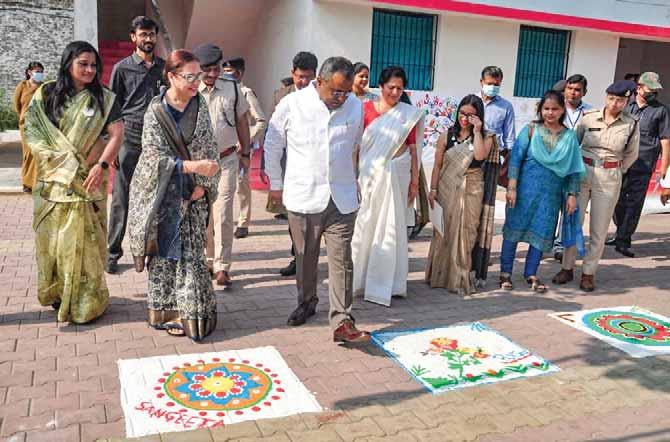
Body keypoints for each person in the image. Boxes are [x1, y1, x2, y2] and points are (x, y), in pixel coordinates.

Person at [265, 56, 370, 342]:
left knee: (342, 260)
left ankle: (342, 320)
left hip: (342, 197)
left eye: (346, 92)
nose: (341, 98)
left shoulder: (355, 105)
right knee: (305, 258)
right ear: (319, 81)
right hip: (304, 196)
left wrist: (356, 179)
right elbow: (273, 143)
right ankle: (307, 301)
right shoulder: (292, 104)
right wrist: (276, 184)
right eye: (336, 91)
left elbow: (355, 145)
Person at [24, 41, 124, 323]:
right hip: (54, 183)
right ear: (68, 63)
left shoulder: (104, 98)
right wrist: (64, 163)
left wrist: (101, 166)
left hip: (88, 183)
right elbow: (33, 132)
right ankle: (59, 295)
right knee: (54, 245)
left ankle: (86, 302)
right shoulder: (47, 94)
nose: (90, 70)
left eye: (94, 65)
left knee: (87, 245)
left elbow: (117, 134)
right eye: (83, 64)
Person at [128, 49, 220, 341]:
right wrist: (193, 167)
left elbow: (209, 146)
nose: (197, 82)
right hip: (164, 198)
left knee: (193, 258)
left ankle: (194, 314)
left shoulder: (200, 106)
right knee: (165, 258)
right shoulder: (156, 111)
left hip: (194, 195)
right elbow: (152, 158)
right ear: (171, 76)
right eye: (190, 77)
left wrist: (203, 185)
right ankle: (166, 313)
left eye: (198, 76)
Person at [553, 80, 639, 291]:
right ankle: (567, 267)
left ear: (627, 101)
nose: (614, 103)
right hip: (583, 172)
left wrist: (616, 170)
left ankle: (588, 273)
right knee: (573, 222)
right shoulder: (589, 117)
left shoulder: (631, 123)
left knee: (599, 229)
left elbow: (631, 154)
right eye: (611, 98)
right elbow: (574, 143)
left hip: (609, 176)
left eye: (620, 100)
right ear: (606, 97)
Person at [351, 66, 423, 306]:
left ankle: (390, 283)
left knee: (393, 225)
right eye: (391, 87)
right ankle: (360, 280)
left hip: (398, 175)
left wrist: (414, 181)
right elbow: (357, 147)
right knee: (366, 224)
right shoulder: (365, 110)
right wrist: (353, 177)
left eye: (399, 89)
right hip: (369, 176)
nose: (395, 92)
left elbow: (414, 150)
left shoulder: (407, 115)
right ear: (380, 86)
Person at [500, 90, 585, 292]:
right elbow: (516, 159)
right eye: (546, 108)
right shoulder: (531, 130)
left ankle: (531, 273)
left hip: (550, 196)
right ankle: (505, 273)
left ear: (562, 110)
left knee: (542, 232)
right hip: (524, 192)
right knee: (513, 230)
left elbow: (573, 169)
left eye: (555, 109)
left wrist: (572, 195)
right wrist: (512, 187)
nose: (550, 113)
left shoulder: (569, 137)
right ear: (540, 109)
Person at [107, 16, 165, 274]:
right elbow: (112, 108)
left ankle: (153, 250)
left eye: (151, 34)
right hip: (129, 136)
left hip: (157, 138)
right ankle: (112, 252)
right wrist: (113, 145)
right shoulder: (122, 68)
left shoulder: (164, 68)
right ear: (133, 37)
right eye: (143, 34)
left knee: (157, 195)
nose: (148, 39)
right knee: (121, 197)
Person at [425, 95, 498, 294]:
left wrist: (477, 131)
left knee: (467, 232)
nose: (465, 118)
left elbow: (480, 156)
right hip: (447, 188)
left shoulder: (486, 136)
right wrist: (433, 190)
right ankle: (440, 276)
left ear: (479, 117)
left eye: (471, 115)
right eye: (462, 113)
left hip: (472, 188)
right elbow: (438, 165)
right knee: (444, 232)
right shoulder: (447, 135)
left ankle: (460, 277)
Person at [197, 44, 251, 287]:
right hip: (199, 163)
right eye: (206, 69)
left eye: (215, 69)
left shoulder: (232, 88)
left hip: (226, 159)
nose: (212, 74)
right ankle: (207, 261)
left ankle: (222, 266)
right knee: (204, 214)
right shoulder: (189, 88)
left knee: (223, 213)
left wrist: (246, 151)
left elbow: (242, 122)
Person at [266, 52, 318, 277]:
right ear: (292, 73)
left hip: (313, 166)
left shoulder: (321, 97)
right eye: (300, 77)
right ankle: (297, 256)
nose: (304, 82)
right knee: (293, 215)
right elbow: (274, 135)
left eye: (308, 77)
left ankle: (305, 257)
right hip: (288, 164)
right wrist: (274, 177)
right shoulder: (281, 96)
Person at [608, 72, 670, 257]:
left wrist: (664, 166)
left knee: (634, 203)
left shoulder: (660, 111)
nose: (653, 93)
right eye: (650, 89)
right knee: (616, 199)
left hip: (644, 163)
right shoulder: (626, 106)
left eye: (655, 90)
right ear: (639, 88)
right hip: (621, 161)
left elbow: (665, 140)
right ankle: (620, 231)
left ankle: (624, 240)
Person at [222, 57, 268, 239]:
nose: (226, 76)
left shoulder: (245, 93)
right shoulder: (222, 92)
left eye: (230, 72)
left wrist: (245, 141)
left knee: (242, 186)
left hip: (240, 150)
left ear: (239, 74)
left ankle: (243, 222)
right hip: (223, 147)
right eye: (224, 72)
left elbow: (261, 121)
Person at [552, 74, 592, 261]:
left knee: (570, 206)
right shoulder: (554, 108)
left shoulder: (590, 113)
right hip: (553, 165)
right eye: (570, 88)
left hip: (576, 167)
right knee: (551, 205)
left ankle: (561, 245)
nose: (573, 93)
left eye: (577, 90)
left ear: (584, 92)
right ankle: (546, 241)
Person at [13, 61, 45, 193]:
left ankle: (36, 182)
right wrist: (24, 117)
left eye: (41, 72)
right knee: (28, 153)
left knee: (38, 152)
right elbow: (16, 105)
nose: (40, 74)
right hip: (26, 125)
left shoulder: (43, 87)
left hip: (40, 125)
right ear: (29, 72)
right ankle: (27, 182)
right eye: (37, 71)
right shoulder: (22, 86)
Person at [480, 66, 515, 152]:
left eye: (496, 85)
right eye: (489, 84)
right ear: (481, 82)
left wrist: (509, 153)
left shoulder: (506, 106)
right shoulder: (471, 101)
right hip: (471, 149)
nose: (492, 87)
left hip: (494, 152)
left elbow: (509, 136)